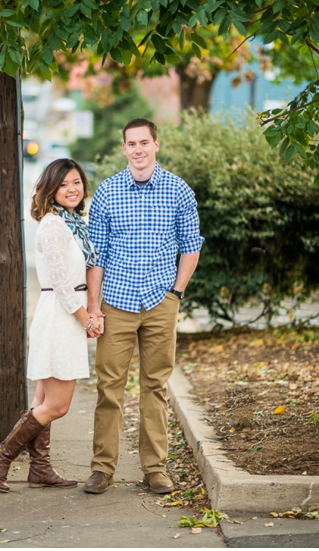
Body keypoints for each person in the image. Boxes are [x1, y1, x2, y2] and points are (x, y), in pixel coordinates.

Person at [83, 118, 204, 495]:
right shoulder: (107, 193)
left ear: (156, 145)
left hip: (160, 301)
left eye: (143, 143)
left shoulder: (177, 190)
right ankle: (102, 468)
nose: (137, 149)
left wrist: (176, 292)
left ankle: (155, 468)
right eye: (131, 143)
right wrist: (94, 308)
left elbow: (191, 245)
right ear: (124, 149)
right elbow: (96, 256)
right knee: (109, 387)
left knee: (155, 386)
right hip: (116, 303)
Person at [0, 159, 103, 492]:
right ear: (51, 189)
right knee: (57, 405)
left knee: (41, 402)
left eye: (77, 182)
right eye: (64, 184)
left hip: (66, 313)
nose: (72, 189)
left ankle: (40, 468)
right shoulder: (54, 225)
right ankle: (1, 457)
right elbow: (64, 283)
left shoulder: (73, 224)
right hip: (60, 316)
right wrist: (86, 319)